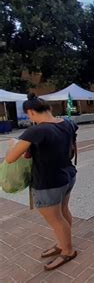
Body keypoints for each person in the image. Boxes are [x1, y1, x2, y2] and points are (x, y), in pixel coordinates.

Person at [5, 94, 78, 271]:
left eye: (28, 115)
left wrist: (14, 143)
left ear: (30, 112)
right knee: (63, 211)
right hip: (67, 175)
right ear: (48, 109)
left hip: (48, 182)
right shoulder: (67, 122)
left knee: (56, 220)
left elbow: (10, 158)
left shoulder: (36, 131)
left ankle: (67, 250)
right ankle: (62, 243)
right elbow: (72, 148)